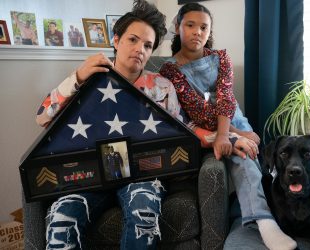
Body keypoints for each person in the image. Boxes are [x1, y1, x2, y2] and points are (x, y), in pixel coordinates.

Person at [35, 1, 248, 249]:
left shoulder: (161, 86)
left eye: (147, 45)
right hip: (89, 177)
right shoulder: (88, 78)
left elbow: (184, 129)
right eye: (133, 40)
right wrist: (79, 76)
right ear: (116, 40)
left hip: (142, 176)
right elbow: (42, 117)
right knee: (62, 217)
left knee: (143, 212)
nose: (140, 49)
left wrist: (231, 138)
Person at [159, 3, 298, 250]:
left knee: (254, 158)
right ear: (178, 27)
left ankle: (267, 212)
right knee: (243, 152)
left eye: (204, 27)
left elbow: (225, 98)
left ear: (209, 31)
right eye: (190, 25)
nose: (197, 32)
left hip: (234, 120)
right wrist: (233, 137)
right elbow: (198, 111)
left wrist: (238, 130)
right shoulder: (170, 71)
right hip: (206, 129)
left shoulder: (221, 57)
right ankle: (265, 223)